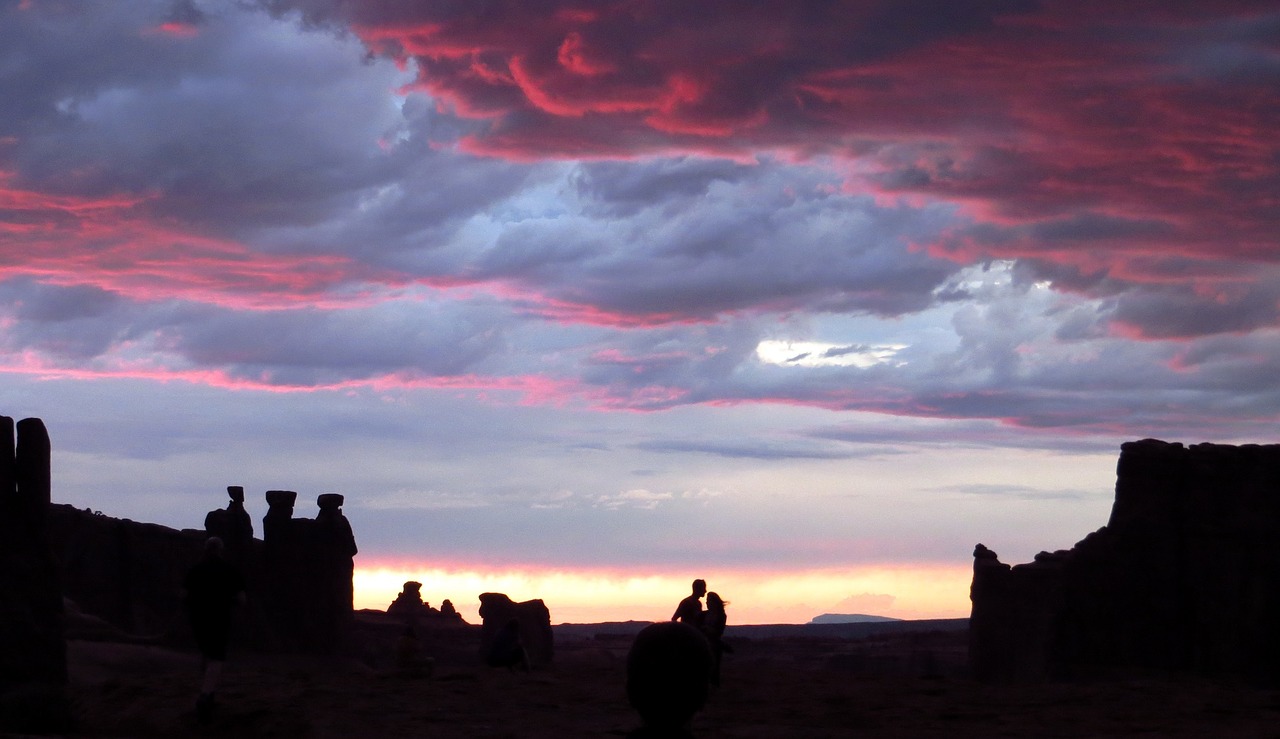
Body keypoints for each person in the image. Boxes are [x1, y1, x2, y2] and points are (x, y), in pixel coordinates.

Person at [181, 537, 246, 721]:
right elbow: (242, 599)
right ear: (221, 550)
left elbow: (183, 595)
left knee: (207, 654)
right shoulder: (229, 571)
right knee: (217, 657)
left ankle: (208, 691)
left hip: (198, 619)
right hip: (220, 618)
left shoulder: (195, 570)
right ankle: (206, 694)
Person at [701, 592, 730, 686]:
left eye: (708, 601)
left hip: (714, 643)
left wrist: (706, 629)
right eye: (706, 601)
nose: (707, 603)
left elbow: (718, 631)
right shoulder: (706, 614)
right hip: (707, 642)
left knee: (714, 667)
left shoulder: (721, 615)